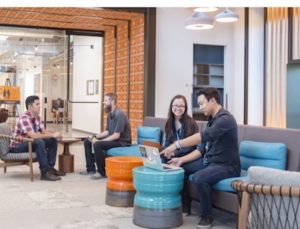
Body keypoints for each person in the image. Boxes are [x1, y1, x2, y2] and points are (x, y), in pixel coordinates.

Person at [161, 88, 241, 229]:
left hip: (227, 166)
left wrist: (176, 145)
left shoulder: (225, 119)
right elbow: (202, 148)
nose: (200, 107)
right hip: (211, 162)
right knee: (181, 168)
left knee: (199, 178)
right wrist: (181, 160)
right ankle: (186, 207)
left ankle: (207, 217)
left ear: (212, 101)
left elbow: (203, 137)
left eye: (202, 103)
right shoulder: (212, 120)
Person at [10, 95, 65, 181]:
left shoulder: (37, 117)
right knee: (39, 142)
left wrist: (55, 134)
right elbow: (34, 136)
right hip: (18, 146)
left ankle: (49, 169)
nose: (40, 106)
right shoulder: (24, 118)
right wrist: (52, 134)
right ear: (30, 106)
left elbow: (43, 131)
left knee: (52, 140)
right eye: (37, 104)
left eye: (39, 104)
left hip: (29, 142)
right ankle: (44, 173)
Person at [80, 92, 132, 179]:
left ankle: (101, 172)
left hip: (121, 142)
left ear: (112, 102)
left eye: (105, 100)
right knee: (87, 141)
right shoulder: (110, 115)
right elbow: (108, 131)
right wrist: (95, 136)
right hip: (114, 139)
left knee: (97, 144)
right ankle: (91, 169)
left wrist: (99, 141)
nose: (103, 102)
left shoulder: (119, 115)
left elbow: (116, 136)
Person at [162, 94, 199, 162]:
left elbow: (191, 146)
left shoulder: (191, 123)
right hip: (174, 154)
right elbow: (167, 142)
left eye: (181, 106)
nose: (178, 108)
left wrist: (174, 153)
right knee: (160, 160)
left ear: (185, 108)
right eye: (176, 105)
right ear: (171, 107)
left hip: (187, 156)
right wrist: (166, 152)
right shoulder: (169, 122)